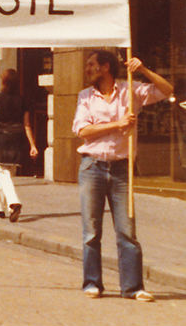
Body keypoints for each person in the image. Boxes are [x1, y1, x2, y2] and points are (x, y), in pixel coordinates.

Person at [73, 50, 172, 301]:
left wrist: (143, 70)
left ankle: (133, 287)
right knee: (91, 231)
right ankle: (92, 283)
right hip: (92, 167)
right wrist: (118, 125)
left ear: (105, 67)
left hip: (121, 168)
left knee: (127, 230)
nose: (88, 68)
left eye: (91, 64)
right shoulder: (86, 96)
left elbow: (167, 90)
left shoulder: (131, 90)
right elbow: (83, 130)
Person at [0, 69, 39, 222]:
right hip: (17, 139)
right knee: (5, 172)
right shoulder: (23, 100)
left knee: (3, 173)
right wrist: (32, 145)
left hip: (1, 139)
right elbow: (27, 124)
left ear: (3, 82)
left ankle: (14, 203)